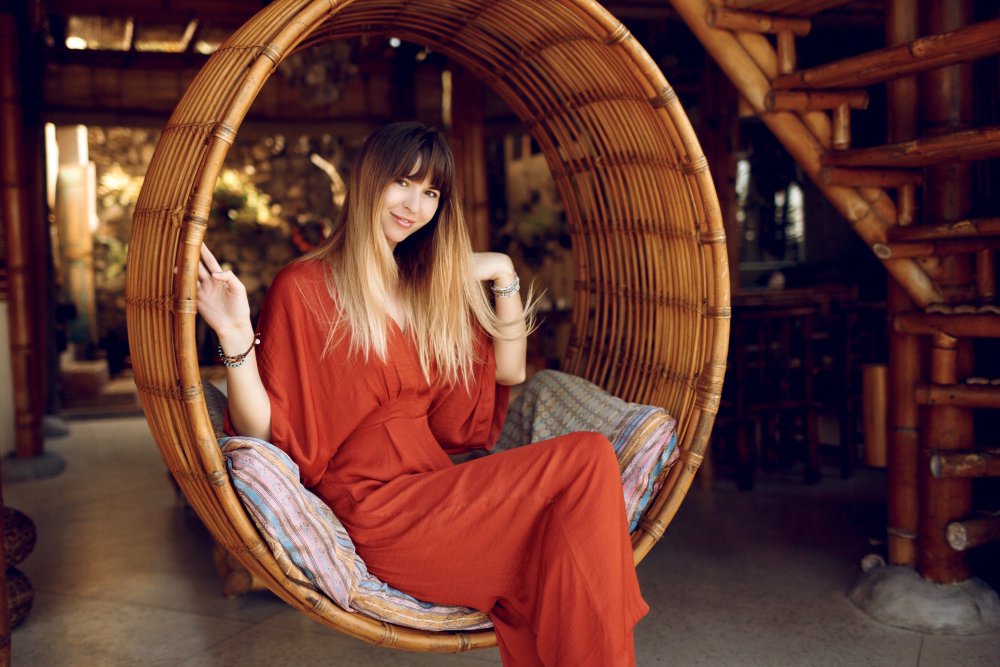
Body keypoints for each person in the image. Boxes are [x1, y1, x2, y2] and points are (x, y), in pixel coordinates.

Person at [196, 121, 648, 666]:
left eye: (431, 192)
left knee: (570, 547)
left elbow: (508, 371)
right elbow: (260, 433)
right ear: (369, 182)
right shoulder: (306, 285)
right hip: (378, 511)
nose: (416, 204)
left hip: (439, 493)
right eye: (404, 183)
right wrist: (236, 338)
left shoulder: (427, 289)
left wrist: (502, 272)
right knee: (588, 461)